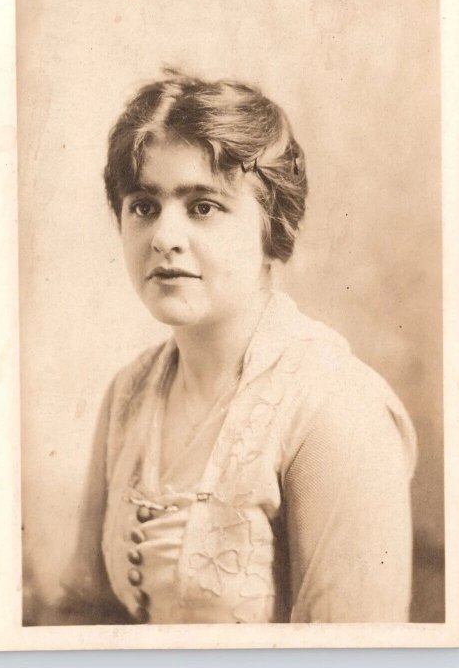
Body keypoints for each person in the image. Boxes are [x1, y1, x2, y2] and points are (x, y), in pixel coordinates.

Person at [55, 69, 416, 625]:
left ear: (273, 227)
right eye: (143, 205)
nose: (163, 237)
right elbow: (84, 611)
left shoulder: (336, 408)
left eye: (202, 206)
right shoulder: (129, 393)